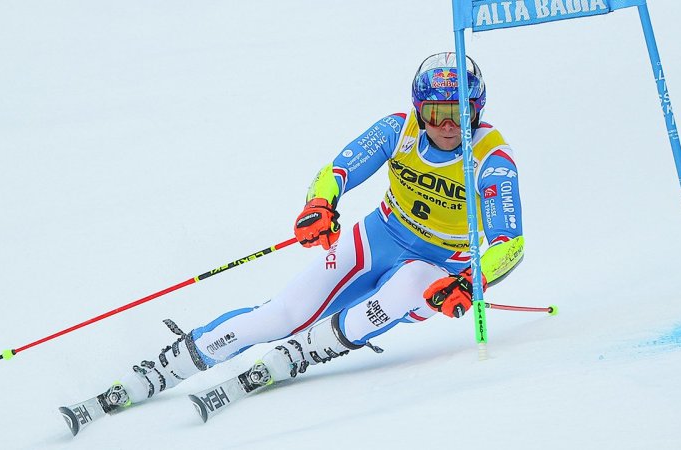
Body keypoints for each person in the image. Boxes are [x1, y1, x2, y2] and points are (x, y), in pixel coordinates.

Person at [86, 52, 524, 413]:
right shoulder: (399, 129)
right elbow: (336, 172)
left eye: (459, 112)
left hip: (442, 270)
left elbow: (511, 244)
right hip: (381, 235)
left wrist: (471, 281)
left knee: (408, 282)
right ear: (419, 109)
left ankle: (307, 350)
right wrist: (320, 205)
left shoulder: (492, 160)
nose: (448, 125)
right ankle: (170, 365)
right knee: (281, 314)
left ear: (476, 109)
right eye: (436, 112)